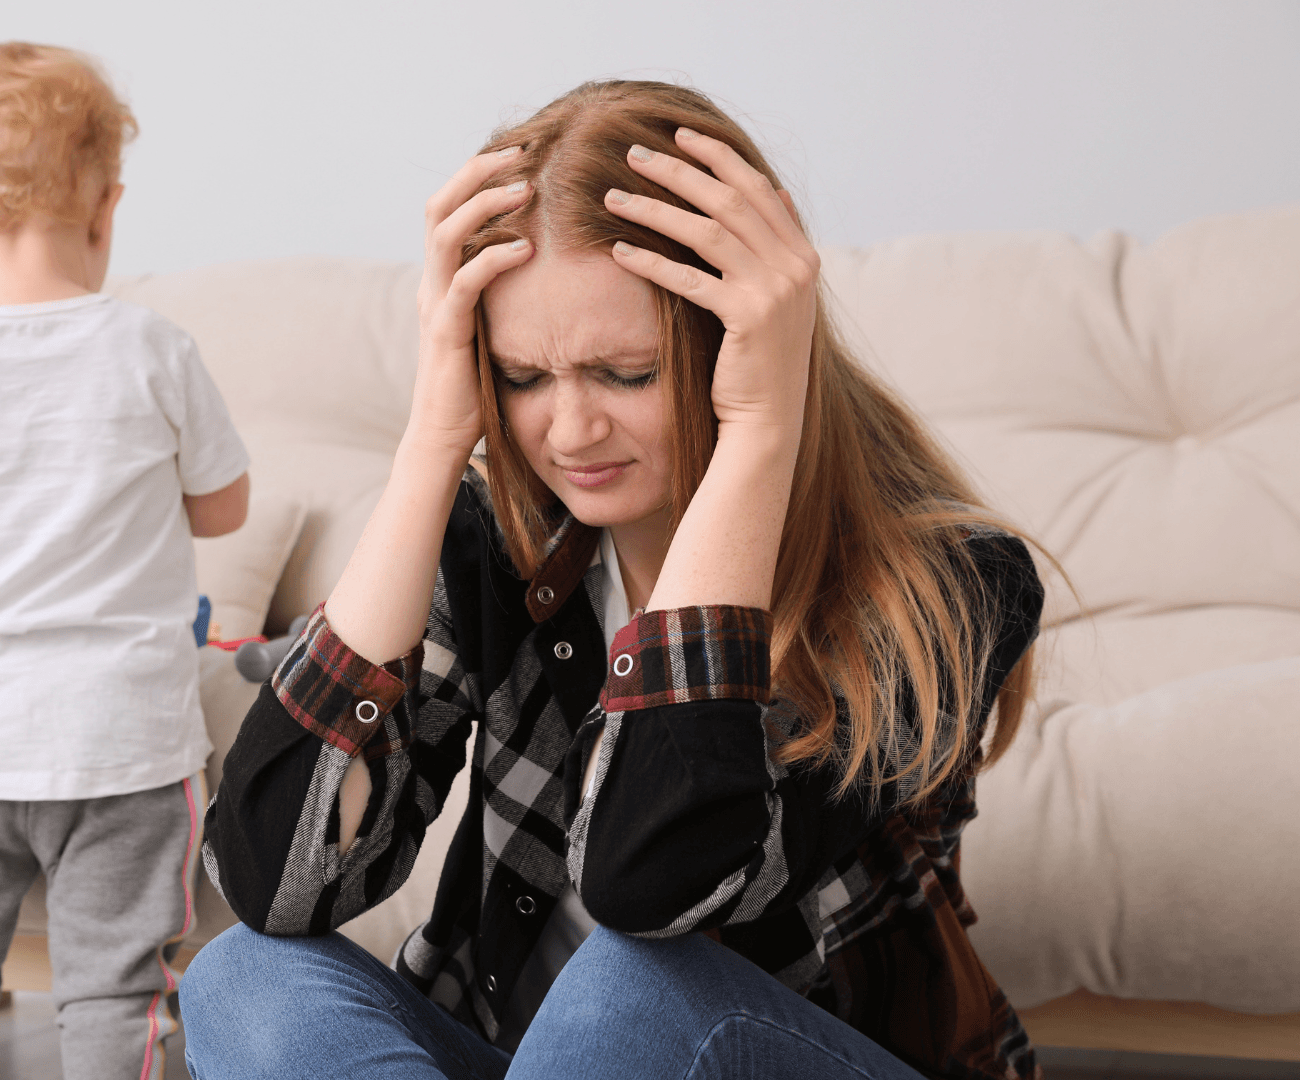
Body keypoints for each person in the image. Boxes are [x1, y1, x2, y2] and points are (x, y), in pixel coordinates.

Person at [181, 80, 1045, 1080]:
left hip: (768, 1057)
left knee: (633, 980)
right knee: (241, 973)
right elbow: (275, 882)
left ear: (737, 342)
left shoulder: (950, 583)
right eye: (523, 377)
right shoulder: (499, 543)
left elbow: (655, 884)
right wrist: (430, 442)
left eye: (625, 375)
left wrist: (764, 431)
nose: (571, 431)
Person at [0, 42, 250, 1080]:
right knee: (118, 991)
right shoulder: (155, 350)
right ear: (107, 209)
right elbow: (226, 505)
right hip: (123, 746)